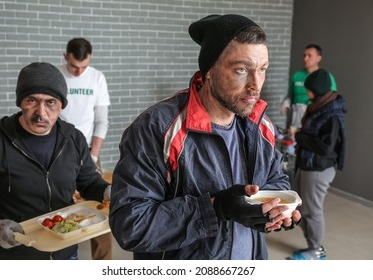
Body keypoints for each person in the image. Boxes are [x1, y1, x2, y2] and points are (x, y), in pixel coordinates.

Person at [109, 14, 301, 260]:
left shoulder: (261, 125)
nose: (256, 85)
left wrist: (277, 210)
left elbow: (275, 179)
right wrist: (214, 208)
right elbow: (130, 225)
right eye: (242, 70)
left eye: (262, 70)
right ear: (210, 70)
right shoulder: (157, 128)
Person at [0, 62, 110, 260]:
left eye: (50, 102)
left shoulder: (74, 139)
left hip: (65, 253)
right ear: (20, 102)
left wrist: (107, 191)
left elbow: (88, 181)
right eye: (32, 101)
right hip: (15, 255)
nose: (41, 112)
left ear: (61, 105)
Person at [57, 38, 112, 260]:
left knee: (99, 207)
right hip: (58, 151)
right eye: (74, 67)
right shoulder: (55, 75)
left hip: (89, 151)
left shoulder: (97, 78)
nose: (79, 72)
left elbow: (102, 121)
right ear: (65, 57)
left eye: (84, 67)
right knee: (60, 205)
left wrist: (93, 156)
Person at [288, 68, 346, 260]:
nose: (307, 93)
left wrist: (299, 135)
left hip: (318, 168)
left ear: (317, 90)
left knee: (312, 211)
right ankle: (313, 246)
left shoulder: (332, 114)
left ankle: (315, 250)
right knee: (297, 203)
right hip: (307, 164)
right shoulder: (319, 106)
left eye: (309, 90)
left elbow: (326, 148)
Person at [280, 44, 337, 137]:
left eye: (309, 56)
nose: (305, 58)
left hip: (314, 119)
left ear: (318, 58)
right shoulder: (297, 75)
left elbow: (331, 100)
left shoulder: (326, 78)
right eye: (304, 55)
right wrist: (286, 102)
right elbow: (291, 94)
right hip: (296, 118)